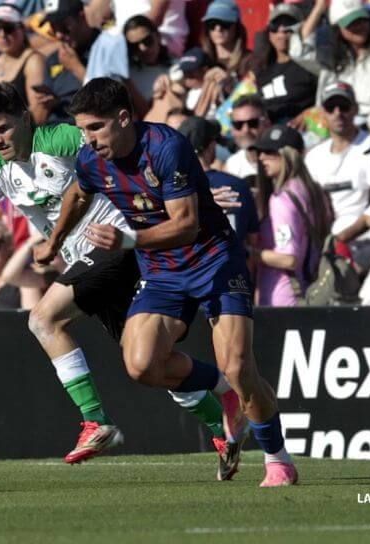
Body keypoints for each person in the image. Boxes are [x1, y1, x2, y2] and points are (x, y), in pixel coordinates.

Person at [0, 83, 245, 475]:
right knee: (150, 364)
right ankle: (224, 419)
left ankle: (97, 421)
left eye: (4, 129)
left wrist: (196, 190)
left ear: (25, 118)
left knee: (43, 318)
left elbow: (128, 147)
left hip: (119, 242)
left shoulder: (61, 138)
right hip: (88, 261)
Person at [66, 78, 298, 486]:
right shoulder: (90, 159)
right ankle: (222, 388)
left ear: (124, 118)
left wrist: (128, 239)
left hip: (214, 263)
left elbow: (187, 225)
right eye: (83, 129)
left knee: (241, 367)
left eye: (96, 127)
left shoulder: (165, 147)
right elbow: (80, 193)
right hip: (162, 272)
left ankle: (278, 459)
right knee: (141, 365)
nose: (88, 138)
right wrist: (53, 241)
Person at [253, 126, 334, 307]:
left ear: (289, 155)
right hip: (310, 290)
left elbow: (289, 259)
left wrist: (248, 253)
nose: (261, 157)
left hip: (284, 296)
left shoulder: (282, 199)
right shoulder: (315, 192)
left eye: (270, 152)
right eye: (261, 152)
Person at [304, 82, 370, 269]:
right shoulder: (314, 156)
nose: (338, 113)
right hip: (326, 239)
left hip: (365, 236)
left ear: (355, 109)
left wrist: (343, 238)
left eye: (344, 107)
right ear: (323, 113)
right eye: (331, 107)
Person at [178, 116, 259, 252]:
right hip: (231, 267)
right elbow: (253, 239)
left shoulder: (170, 190)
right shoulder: (237, 185)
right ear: (211, 145)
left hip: (189, 268)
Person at [317, 0, 370, 126]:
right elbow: (298, 52)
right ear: (338, 29)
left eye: (362, 20)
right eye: (351, 23)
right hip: (340, 121)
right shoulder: (335, 60)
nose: (359, 26)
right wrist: (319, 7)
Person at [0, 3, 49, 124]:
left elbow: (39, 112)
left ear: (22, 29)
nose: (2, 35)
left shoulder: (33, 61)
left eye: (8, 28)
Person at [250, 10, 318, 125]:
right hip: (268, 133)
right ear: (269, 34)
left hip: (306, 131)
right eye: (274, 27)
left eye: (288, 27)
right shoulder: (260, 69)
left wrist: (310, 114)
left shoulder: (311, 65)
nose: (281, 32)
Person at [38, 0, 100, 124]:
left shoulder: (103, 46)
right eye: (53, 28)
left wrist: (76, 68)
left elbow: (111, 99)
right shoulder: (54, 58)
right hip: (55, 130)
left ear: (82, 17)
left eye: (64, 26)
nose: (59, 34)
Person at [224, 94, 272, 178]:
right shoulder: (232, 166)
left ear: (267, 124)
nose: (246, 130)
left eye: (252, 123)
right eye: (238, 125)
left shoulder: (286, 160)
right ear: (232, 129)